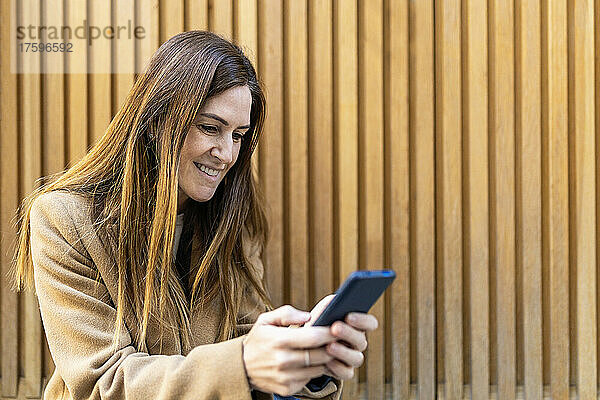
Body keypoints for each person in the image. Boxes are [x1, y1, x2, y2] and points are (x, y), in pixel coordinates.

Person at [11, 30, 378, 400]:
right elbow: (105, 384)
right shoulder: (64, 218)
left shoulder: (232, 220)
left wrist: (307, 359)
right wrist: (243, 365)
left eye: (238, 135)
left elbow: (249, 352)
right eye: (210, 128)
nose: (226, 153)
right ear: (156, 122)